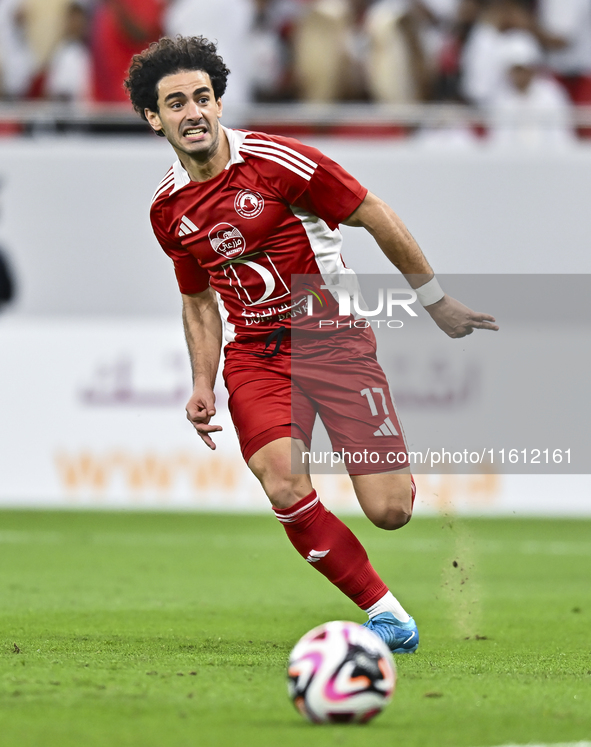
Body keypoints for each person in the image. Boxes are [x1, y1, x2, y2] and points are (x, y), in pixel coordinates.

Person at [124, 35, 498, 654]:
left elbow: (373, 212)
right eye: (175, 103)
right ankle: (386, 613)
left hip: (334, 339)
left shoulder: (279, 163)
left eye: (202, 97)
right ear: (153, 118)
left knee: (389, 511)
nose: (192, 112)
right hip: (256, 356)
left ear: (219, 104)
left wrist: (435, 301)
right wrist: (201, 383)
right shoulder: (168, 209)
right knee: (281, 480)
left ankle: (386, 477)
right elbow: (197, 300)